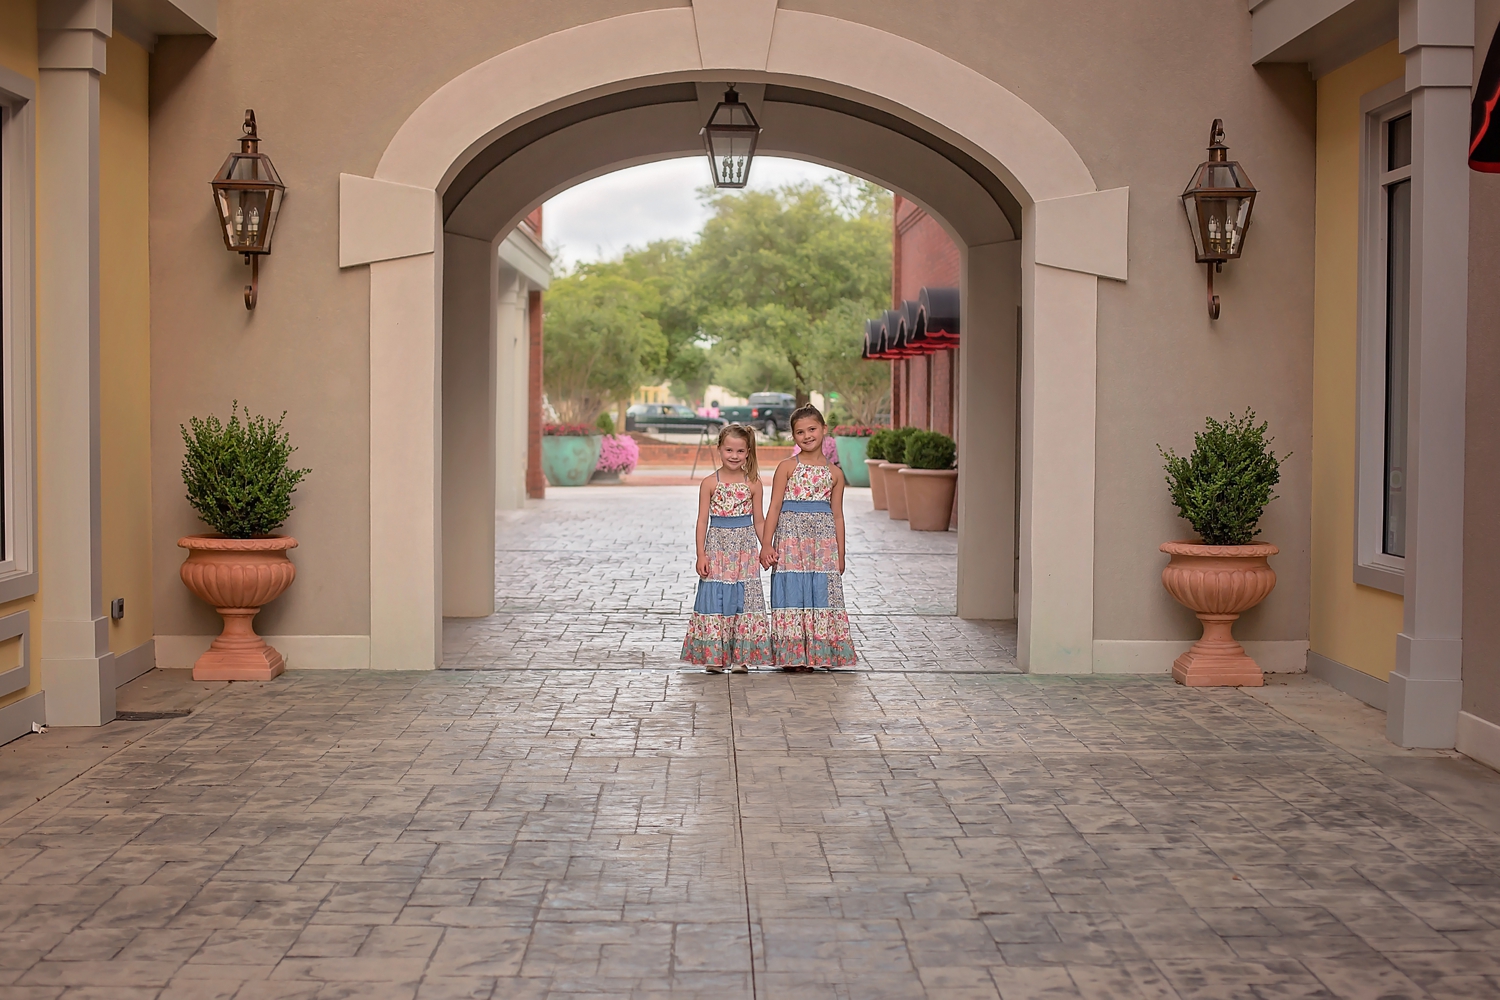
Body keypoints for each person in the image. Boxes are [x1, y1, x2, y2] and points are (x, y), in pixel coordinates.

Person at [760, 405, 857, 670]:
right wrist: (766, 544)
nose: (807, 435)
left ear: (824, 430)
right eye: (800, 432)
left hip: (823, 545)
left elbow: (838, 515)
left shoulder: (835, 475)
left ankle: (819, 653)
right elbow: (775, 507)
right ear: (793, 436)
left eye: (812, 429)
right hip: (791, 541)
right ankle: (792, 655)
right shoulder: (786, 468)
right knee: (792, 591)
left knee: (819, 592)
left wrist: (841, 553)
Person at [681, 425, 772, 673]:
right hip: (718, 548)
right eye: (729, 449)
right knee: (716, 597)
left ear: (748, 452)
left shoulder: (753, 483)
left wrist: (766, 546)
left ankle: (741, 657)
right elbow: (702, 520)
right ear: (719, 449)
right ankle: (714, 656)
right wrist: (701, 553)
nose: (734, 455)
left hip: (745, 550)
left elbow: (760, 520)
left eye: (740, 451)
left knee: (742, 598)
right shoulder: (709, 483)